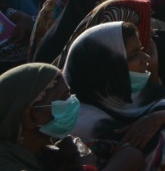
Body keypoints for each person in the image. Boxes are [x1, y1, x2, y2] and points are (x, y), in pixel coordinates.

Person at [63, 21, 165, 170]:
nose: (146, 59)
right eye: (133, 55)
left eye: (142, 50)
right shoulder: (82, 120)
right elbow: (152, 150)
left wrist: (160, 117)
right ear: (106, 67)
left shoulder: (131, 94)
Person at [0, 62, 146, 171]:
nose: (72, 102)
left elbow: (131, 153)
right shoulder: (8, 164)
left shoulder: (56, 146)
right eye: (63, 98)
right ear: (31, 117)